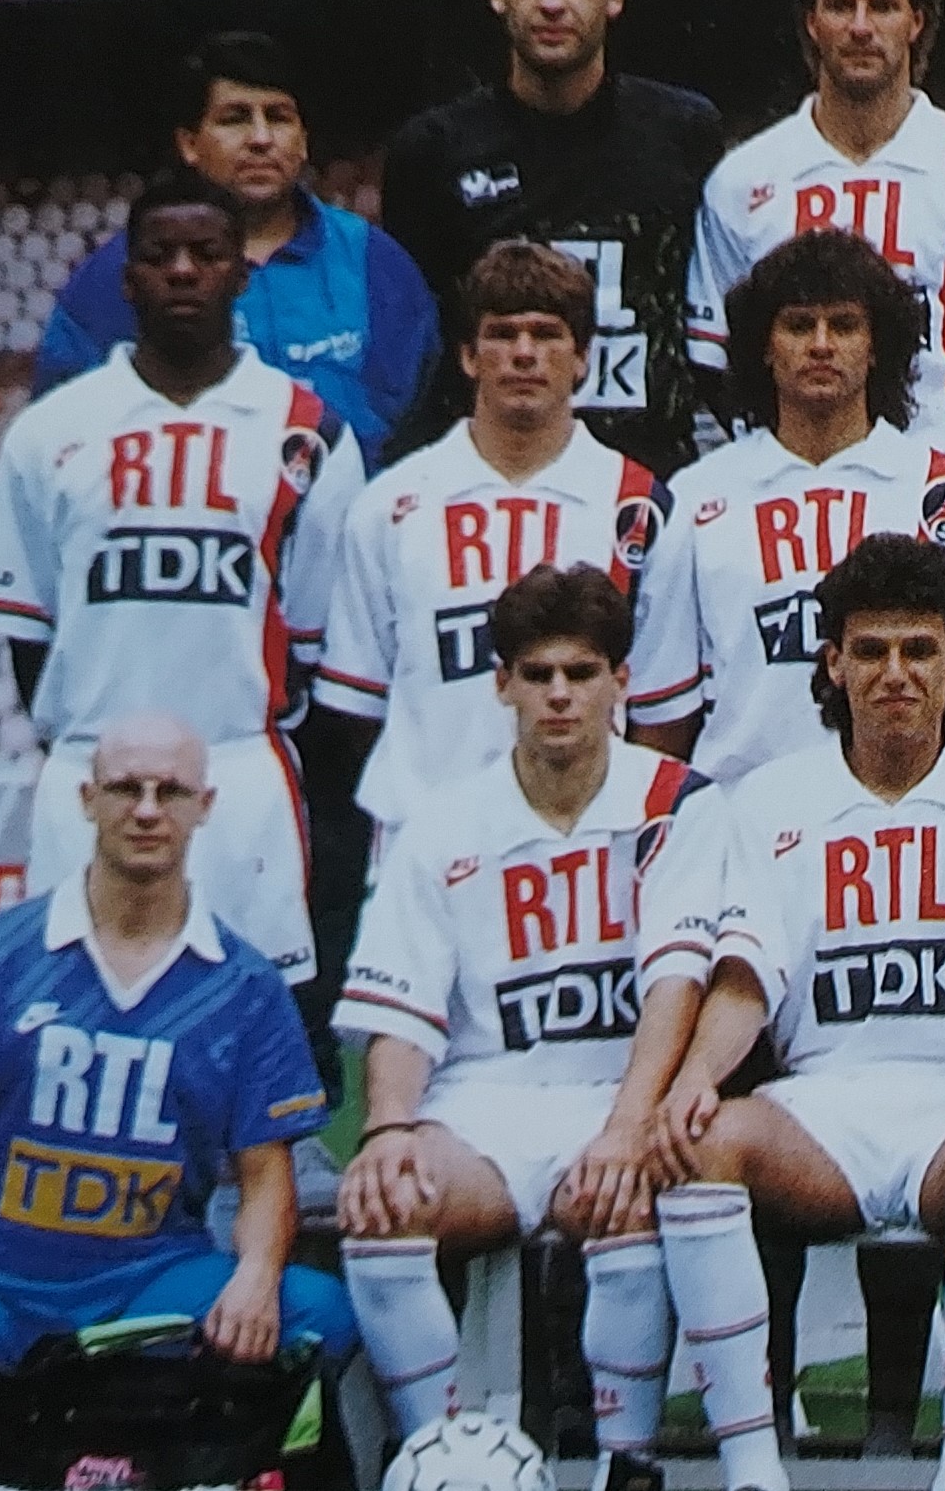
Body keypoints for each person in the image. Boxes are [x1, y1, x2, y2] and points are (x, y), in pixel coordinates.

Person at [638, 535, 945, 1489]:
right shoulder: (771, 798)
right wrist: (694, 1080)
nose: (895, 672)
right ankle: (754, 1466)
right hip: (822, 1108)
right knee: (701, 1143)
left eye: (919, 649)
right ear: (831, 662)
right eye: (870, 650)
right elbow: (746, 979)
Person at [329, 565, 714, 1489]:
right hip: (484, 1104)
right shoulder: (441, 824)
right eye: (537, 674)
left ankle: (627, 1463)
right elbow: (400, 1010)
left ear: (621, 681)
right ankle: (439, 1460)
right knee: (384, 1206)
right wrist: (387, 1130)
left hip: (618, 1091)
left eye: (581, 673)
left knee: (630, 1195)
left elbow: (678, 984)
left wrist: (626, 1128)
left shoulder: (677, 800)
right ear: (501, 683)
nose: (559, 694)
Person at [0, 169, 367, 994]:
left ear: (241, 273)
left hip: (241, 775)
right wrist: (95, 750)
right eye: (161, 255)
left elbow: (315, 638)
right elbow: (27, 632)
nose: (184, 270)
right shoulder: (50, 432)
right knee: (71, 1014)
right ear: (128, 278)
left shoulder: (308, 432)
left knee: (250, 1024)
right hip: (89, 776)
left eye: (206, 253)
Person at [0, 711, 353, 1371]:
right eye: (126, 788)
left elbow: (266, 1174)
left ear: (205, 806)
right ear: (87, 799)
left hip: (149, 1282)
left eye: (170, 791)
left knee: (320, 1312)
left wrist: (257, 1276)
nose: (147, 811)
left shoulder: (246, 986)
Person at [313, 242, 702, 841]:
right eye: (502, 334)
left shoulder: (638, 507)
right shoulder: (390, 506)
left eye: (546, 334)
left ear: (582, 357)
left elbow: (662, 710)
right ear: (468, 356)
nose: (524, 354)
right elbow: (357, 704)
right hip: (427, 836)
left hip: (588, 839)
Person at [383, 0, 727, 475]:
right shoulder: (434, 150)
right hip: (494, 478)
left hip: (650, 473)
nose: (551, 2)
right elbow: (415, 344)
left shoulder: (685, 132)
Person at [684, 0, 945, 459]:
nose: (859, 27)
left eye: (882, 6)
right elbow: (718, 358)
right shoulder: (744, 179)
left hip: (932, 478)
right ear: (811, 22)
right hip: (789, 483)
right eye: (839, 5)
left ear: (916, 21)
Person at [666, 228, 945, 787]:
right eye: (797, 325)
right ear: (764, 346)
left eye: (844, 325)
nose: (820, 345)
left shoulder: (939, 487)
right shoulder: (695, 498)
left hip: (902, 804)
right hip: (740, 803)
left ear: (877, 344)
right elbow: (666, 705)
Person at [38, 33, 439, 464]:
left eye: (279, 118)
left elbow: (421, 421)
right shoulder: (125, 274)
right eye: (235, 119)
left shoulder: (374, 263)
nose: (261, 139)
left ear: (303, 141)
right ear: (189, 144)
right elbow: (64, 431)